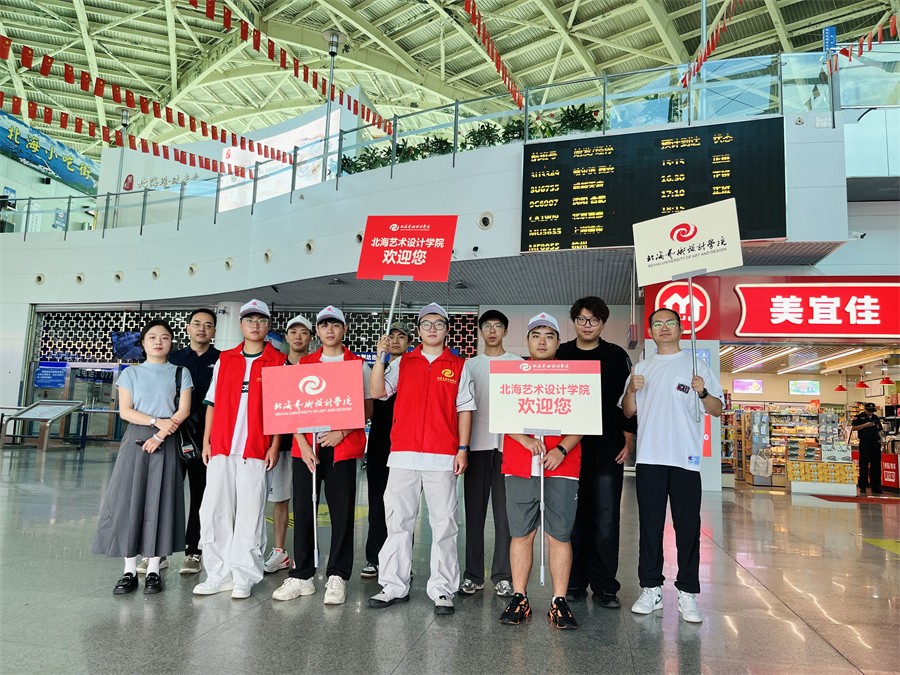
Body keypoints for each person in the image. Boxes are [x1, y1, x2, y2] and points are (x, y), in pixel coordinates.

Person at [368, 302, 475, 616]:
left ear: (446, 330)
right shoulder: (403, 362)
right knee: (398, 522)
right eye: (426, 324)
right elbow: (378, 392)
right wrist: (380, 359)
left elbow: (465, 409)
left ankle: (442, 588)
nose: (432, 329)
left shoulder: (458, 365)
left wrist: (463, 448)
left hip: (442, 456)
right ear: (418, 330)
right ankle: (393, 585)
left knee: (444, 524)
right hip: (403, 454)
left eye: (438, 324)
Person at [620, 307, 723, 624]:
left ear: (680, 328)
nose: (663, 328)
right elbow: (627, 411)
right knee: (649, 527)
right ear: (650, 331)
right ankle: (650, 588)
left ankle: (688, 592)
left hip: (685, 460)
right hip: (650, 458)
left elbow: (717, 409)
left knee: (688, 528)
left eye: (670, 323)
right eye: (657, 324)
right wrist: (631, 390)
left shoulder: (696, 366)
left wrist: (703, 391)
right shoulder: (642, 367)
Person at [273, 306, 373, 604]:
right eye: (324, 325)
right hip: (307, 450)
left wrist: (342, 432)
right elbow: (291, 408)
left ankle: (337, 575)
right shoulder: (305, 364)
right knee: (304, 509)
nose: (330, 330)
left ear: (344, 330)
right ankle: (301, 575)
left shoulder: (358, 365)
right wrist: (302, 444)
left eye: (336, 325)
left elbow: (368, 408)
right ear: (317, 331)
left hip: (342, 448)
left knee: (342, 512)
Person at [92, 319, 193, 595]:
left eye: (165, 337)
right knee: (129, 500)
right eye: (152, 337)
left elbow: (183, 411)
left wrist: (160, 434)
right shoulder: (130, 374)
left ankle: (153, 570)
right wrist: (155, 422)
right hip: (136, 440)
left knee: (161, 502)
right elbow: (125, 411)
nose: (158, 342)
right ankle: (128, 570)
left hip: (167, 440)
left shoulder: (180, 373)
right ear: (143, 343)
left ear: (172, 342)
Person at [193, 299, 284, 600]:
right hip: (221, 447)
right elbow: (211, 403)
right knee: (214, 510)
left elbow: (280, 411)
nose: (255, 325)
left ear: (268, 326)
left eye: (261, 320)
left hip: (256, 449)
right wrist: (206, 442)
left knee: (250, 514)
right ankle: (217, 574)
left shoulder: (277, 362)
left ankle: (244, 575)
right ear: (241, 325)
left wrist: (274, 446)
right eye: (249, 320)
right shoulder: (226, 359)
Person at [497, 312, 582, 630]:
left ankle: (559, 601)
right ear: (527, 341)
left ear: (559, 342)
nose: (542, 341)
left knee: (559, 534)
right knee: (521, 534)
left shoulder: (573, 375)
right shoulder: (513, 374)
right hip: (520, 464)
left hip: (561, 466)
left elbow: (584, 420)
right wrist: (525, 440)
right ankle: (520, 597)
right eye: (536, 335)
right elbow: (502, 415)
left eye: (549, 336)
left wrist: (562, 449)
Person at [557, 296, 635, 609]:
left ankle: (605, 587)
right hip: (567, 451)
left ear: (603, 323)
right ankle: (574, 583)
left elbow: (627, 402)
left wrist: (628, 439)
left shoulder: (616, 356)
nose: (587, 325)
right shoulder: (561, 353)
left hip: (607, 450)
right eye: (582, 319)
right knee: (572, 521)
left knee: (605, 522)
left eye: (594, 320)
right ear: (574, 321)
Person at [461, 309, 521, 597]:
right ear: (481, 331)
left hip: (509, 448)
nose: (493, 330)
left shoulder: (518, 364)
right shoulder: (469, 366)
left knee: (504, 517)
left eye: (498, 326)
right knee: (473, 514)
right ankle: (473, 575)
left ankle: (503, 575)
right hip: (476, 447)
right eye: (487, 326)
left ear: (505, 331)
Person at [165, 308, 220, 576]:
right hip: (173, 432)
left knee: (201, 494)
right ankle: (158, 552)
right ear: (187, 328)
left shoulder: (221, 360)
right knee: (167, 492)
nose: (202, 329)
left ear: (214, 331)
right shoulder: (172, 358)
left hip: (206, 435)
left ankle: (194, 550)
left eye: (208, 325)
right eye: (197, 323)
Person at [361, 321, 411, 580]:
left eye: (401, 336)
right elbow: (373, 396)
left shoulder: (412, 368)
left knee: (403, 505)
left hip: (405, 441)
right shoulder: (376, 368)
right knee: (377, 499)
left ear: (409, 342)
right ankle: (375, 557)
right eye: (391, 336)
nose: (395, 340)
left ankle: (403, 561)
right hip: (380, 442)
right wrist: (380, 359)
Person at [263, 314, 312, 574]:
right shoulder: (276, 366)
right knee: (280, 498)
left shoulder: (317, 367)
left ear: (310, 338)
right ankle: (280, 552)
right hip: (281, 443)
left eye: (303, 332)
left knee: (307, 500)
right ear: (286, 336)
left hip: (310, 445)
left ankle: (306, 553)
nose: (298, 337)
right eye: (293, 332)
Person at [853, 402, 884, 494]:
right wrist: (865, 425)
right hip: (865, 444)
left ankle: (876, 487)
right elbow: (854, 428)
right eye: (869, 411)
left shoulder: (876, 418)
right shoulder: (859, 417)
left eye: (872, 411)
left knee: (876, 466)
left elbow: (880, 430)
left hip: (875, 444)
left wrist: (882, 442)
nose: (871, 412)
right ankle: (863, 486)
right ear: (865, 409)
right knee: (864, 466)